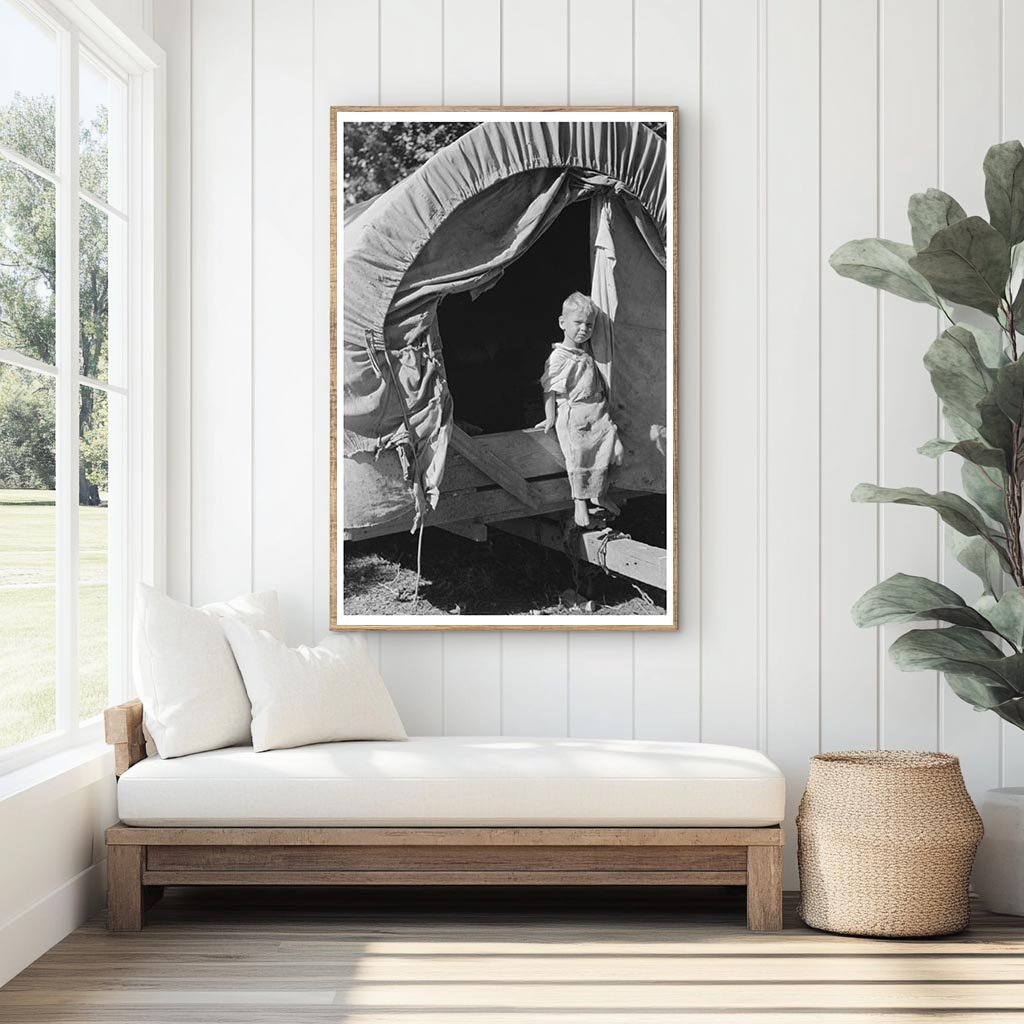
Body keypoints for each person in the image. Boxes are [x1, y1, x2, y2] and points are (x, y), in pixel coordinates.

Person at [537, 292, 624, 528]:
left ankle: (599, 492)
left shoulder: (589, 352)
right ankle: (579, 502)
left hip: (595, 411)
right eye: (578, 323)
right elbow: (551, 389)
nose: (584, 329)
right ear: (562, 323)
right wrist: (550, 417)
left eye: (589, 324)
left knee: (611, 450)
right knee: (578, 455)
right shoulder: (559, 356)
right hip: (574, 413)